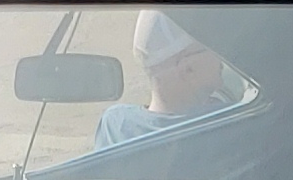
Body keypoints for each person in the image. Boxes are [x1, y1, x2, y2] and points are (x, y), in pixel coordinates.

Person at [94, 12, 237, 146]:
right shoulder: (231, 123)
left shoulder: (114, 127)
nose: (221, 56)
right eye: (213, 47)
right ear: (188, 69)